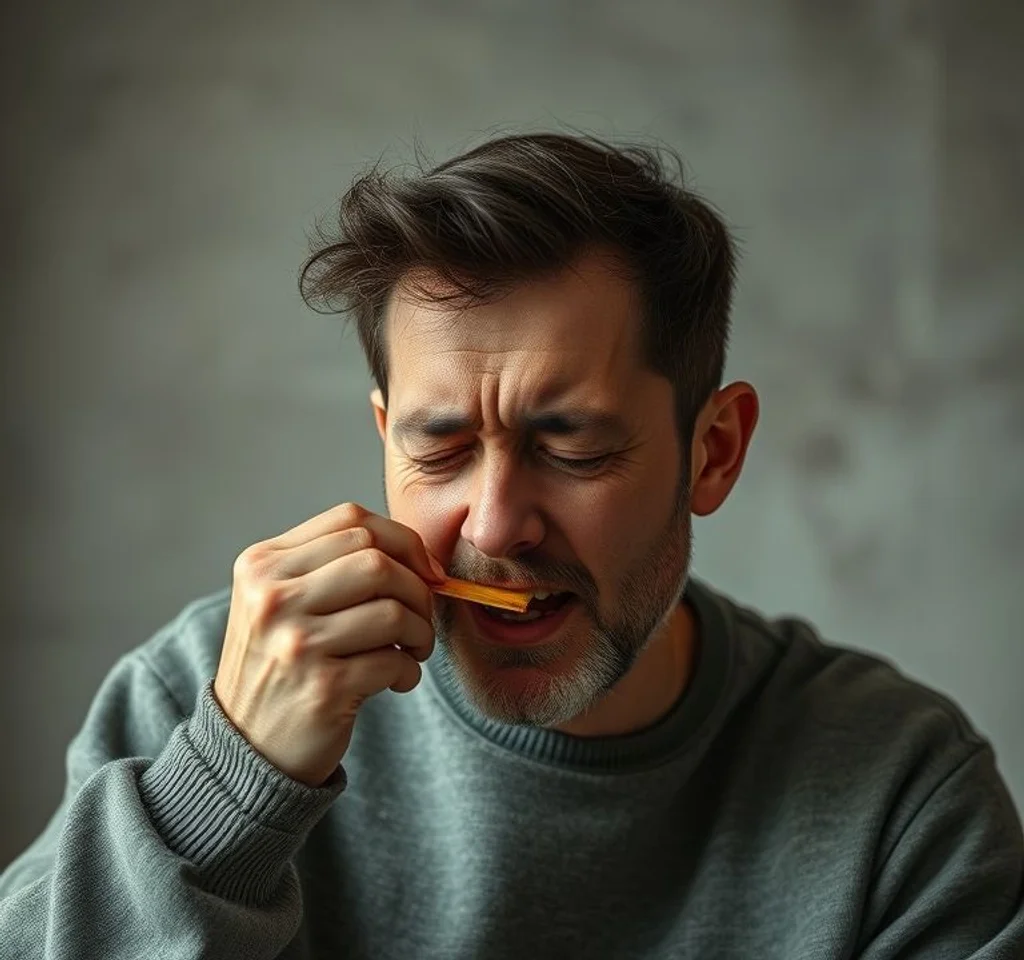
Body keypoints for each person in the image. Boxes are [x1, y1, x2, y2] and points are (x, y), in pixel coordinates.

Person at [1, 132, 1021, 960]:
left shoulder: (898, 798)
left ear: (712, 452)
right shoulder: (201, 695)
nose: (494, 526)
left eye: (568, 447)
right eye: (439, 449)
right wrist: (227, 793)